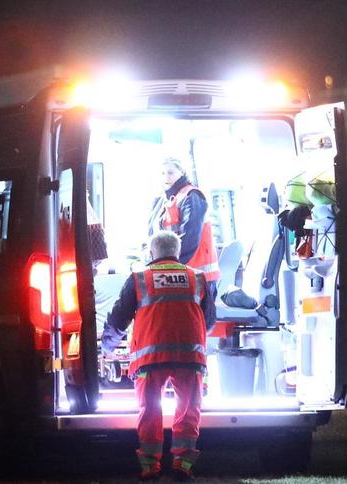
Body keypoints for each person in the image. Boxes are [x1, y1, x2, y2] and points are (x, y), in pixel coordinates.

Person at [101, 231, 215, 481]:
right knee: (188, 411)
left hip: (150, 359)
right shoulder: (197, 278)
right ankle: (182, 467)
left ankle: (150, 469)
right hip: (190, 358)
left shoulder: (140, 278)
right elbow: (209, 322)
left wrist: (106, 347)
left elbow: (120, 317)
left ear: (151, 253)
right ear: (177, 250)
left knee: (150, 411)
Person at [148, 157, 219, 297]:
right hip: (175, 275)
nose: (166, 177)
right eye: (162, 173)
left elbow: (190, 237)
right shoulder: (162, 200)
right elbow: (152, 236)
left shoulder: (192, 196)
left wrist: (168, 267)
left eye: (170, 172)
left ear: (182, 172)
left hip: (198, 278)